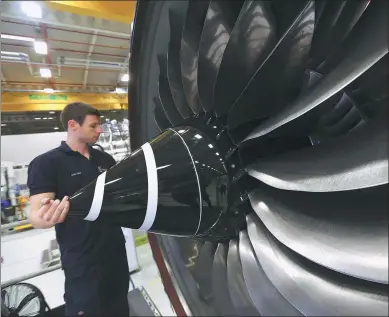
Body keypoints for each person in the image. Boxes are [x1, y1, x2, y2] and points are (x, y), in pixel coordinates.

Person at [27, 102, 129, 316]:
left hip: (115, 254)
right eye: (93, 126)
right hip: (83, 262)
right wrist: (46, 217)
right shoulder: (47, 163)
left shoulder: (105, 159)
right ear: (73, 125)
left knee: (119, 308)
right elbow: (36, 216)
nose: (99, 130)